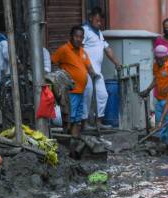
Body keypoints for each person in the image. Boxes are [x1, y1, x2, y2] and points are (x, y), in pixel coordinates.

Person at [51, 26, 97, 158]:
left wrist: (94, 74)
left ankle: (74, 145)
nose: (79, 39)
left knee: (77, 119)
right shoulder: (64, 49)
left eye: (81, 37)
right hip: (70, 91)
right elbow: (53, 61)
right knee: (69, 118)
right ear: (71, 36)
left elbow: (89, 67)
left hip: (80, 91)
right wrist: (59, 78)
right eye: (76, 36)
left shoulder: (82, 51)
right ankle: (67, 148)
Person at [82, 7, 122, 127]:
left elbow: (107, 49)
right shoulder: (84, 30)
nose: (99, 23)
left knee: (102, 95)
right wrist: (88, 68)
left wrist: (117, 63)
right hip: (86, 70)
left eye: (100, 21)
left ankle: (98, 122)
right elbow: (80, 50)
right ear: (90, 18)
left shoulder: (99, 33)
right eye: (97, 20)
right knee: (87, 96)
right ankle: (84, 123)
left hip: (97, 72)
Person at [139, 45, 168, 147]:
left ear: (166, 57)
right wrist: (148, 90)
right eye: (157, 59)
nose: (158, 61)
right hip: (159, 98)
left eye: (161, 59)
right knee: (159, 124)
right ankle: (163, 145)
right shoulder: (156, 65)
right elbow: (156, 79)